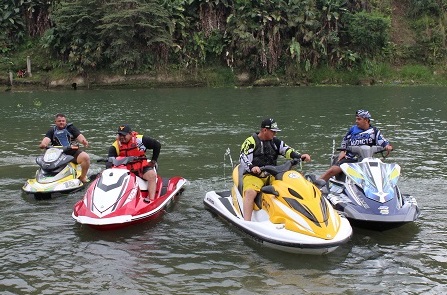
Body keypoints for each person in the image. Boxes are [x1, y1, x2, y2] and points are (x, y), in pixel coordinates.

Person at [239, 118, 311, 221]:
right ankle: (247, 221)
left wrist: (300, 156)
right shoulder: (250, 141)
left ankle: (299, 215)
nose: (275, 134)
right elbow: (243, 157)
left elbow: (287, 150)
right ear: (264, 130)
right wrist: (252, 167)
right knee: (251, 192)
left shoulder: (276, 142)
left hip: (273, 174)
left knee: (293, 186)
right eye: (273, 131)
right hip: (254, 175)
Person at [319, 109, 393, 182]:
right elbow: (345, 141)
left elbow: (382, 141)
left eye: (359, 119)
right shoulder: (353, 129)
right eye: (356, 119)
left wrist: (387, 146)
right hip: (350, 158)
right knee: (333, 170)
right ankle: (317, 185)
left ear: (366, 120)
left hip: (366, 160)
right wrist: (343, 151)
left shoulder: (374, 131)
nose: (356, 121)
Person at [107, 124, 161, 203]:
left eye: (124, 135)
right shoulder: (115, 145)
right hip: (124, 170)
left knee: (152, 175)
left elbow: (157, 145)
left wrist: (153, 161)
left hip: (140, 167)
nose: (121, 137)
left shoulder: (140, 140)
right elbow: (110, 159)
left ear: (130, 133)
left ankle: (151, 199)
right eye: (120, 135)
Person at [39, 113, 90, 183]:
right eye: (59, 121)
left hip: (72, 152)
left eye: (63, 121)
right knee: (44, 160)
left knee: (85, 157)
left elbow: (80, 136)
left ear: (66, 121)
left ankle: (83, 177)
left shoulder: (71, 128)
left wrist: (84, 142)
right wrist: (43, 144)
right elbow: (46, 140)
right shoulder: (52, 131)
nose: (61, 122)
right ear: (55, 122)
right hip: (58, 154)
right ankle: (44, 177)